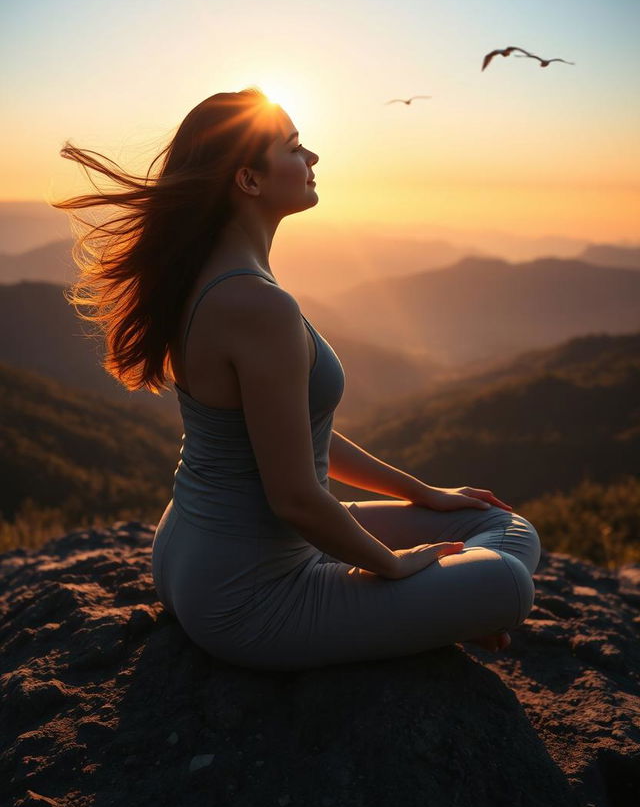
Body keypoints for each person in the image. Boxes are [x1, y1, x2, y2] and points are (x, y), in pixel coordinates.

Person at [53, 87, 540, 671]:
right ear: (249, 180)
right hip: (253, 597)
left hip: (196, 559)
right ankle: (432, 608)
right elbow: (294, 498)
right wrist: (395, 567)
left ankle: (423, 608)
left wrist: (423, 494)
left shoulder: (217, 278)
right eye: (294, 148)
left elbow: (295, 433)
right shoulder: (255, 304)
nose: (313, 159)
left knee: (488, 519)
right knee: (508, 578)